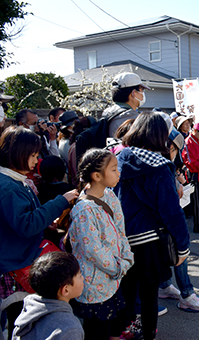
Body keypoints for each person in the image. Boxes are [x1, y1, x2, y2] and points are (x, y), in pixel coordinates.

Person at [114, 112, 190, 340]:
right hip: (149, 239)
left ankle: (123, 331)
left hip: (121, 237)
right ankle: (148, 334)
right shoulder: (159, 165)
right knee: (149, 294)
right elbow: (171, 211)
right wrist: (183, 246)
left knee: (125, 290)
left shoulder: (119, 157)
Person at [0, 127, 78, 338]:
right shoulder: (8, 186)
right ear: (18, 153)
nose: (37, 161)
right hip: (16, 263)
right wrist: (61, 201)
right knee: (20, 321)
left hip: (19, 258)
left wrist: (45, 222)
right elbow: (26, 225)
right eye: (33, 155)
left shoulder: (14, 180)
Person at [69, 149, 134, 340]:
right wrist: (119, 266)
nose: (118, 173)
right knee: (97, 331)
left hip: (112, 279)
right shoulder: (84, 209)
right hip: (94, 283)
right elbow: (92, 250)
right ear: (97, 176)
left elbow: (121, 231)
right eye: (113, 169)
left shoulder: (110, 195)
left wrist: (126, 257)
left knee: (113, 326)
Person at [157, 130, 199, 312]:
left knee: (166, 252)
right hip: (162, 220)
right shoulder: (161, 166)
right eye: (175, 150)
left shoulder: (154, 162)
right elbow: (169, 206)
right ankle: (186, 294)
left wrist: (178, 182)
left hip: (153, 222)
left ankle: (165, 286)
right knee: (180, 252)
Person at [11, 252, 84, 340]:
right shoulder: (70, 329)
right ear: (66, 290)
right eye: (80, 275)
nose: (83, 278)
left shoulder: (29, 308)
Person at [103, 72, 150, 138]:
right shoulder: (134, 118)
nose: (143, 93)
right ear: (134, 93)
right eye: (141, 89)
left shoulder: (107, 112)